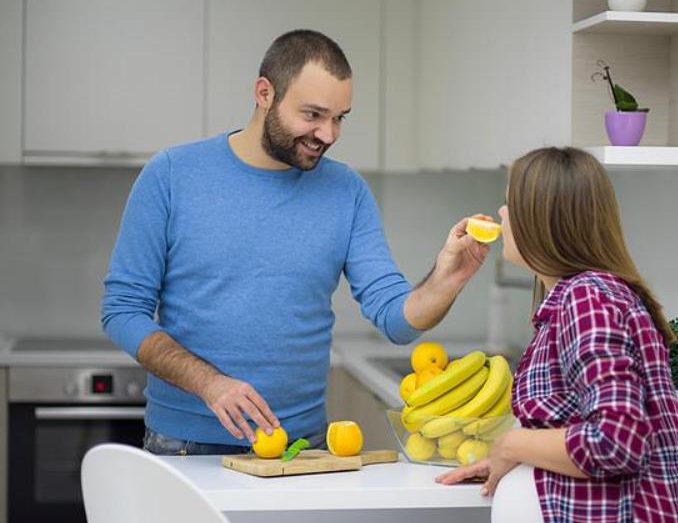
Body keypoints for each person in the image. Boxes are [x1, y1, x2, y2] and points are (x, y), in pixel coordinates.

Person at [101, 29, 488, 455]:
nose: (329, 134)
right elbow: (122, 311)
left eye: (340, 117)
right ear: (264, 93)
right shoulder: (172, 174)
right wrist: (209, 383)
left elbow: (395, 320)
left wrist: (448, 277)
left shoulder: (347, 191)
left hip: (301, 448)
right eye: (313, 115)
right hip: (185, 445)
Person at [437, 147, 678, 522]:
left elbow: (616, 441)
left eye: (509, 203)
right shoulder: (583, 296)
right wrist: (512, 456)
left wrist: (512, 444)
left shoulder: (586, 298)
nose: (502, 214)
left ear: (541, 219)